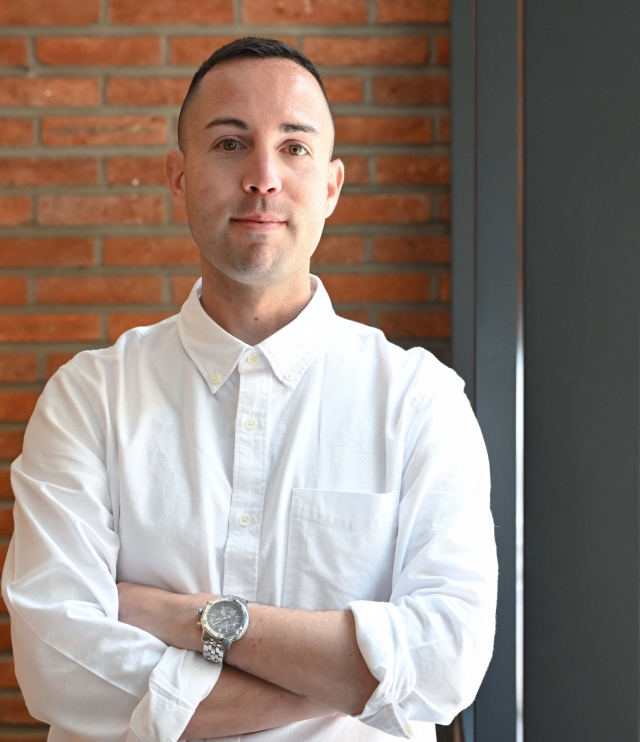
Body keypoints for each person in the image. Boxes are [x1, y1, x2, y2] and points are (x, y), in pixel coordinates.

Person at [2, 38, 497, 742]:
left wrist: (184, 619)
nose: (263, 176)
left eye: (294, 148)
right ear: (178, 177)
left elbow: (447, 662)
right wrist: (359, 678)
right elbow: (59, 669)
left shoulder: (421, 401)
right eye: (231, 144)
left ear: (330, 185)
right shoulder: (89, 398)